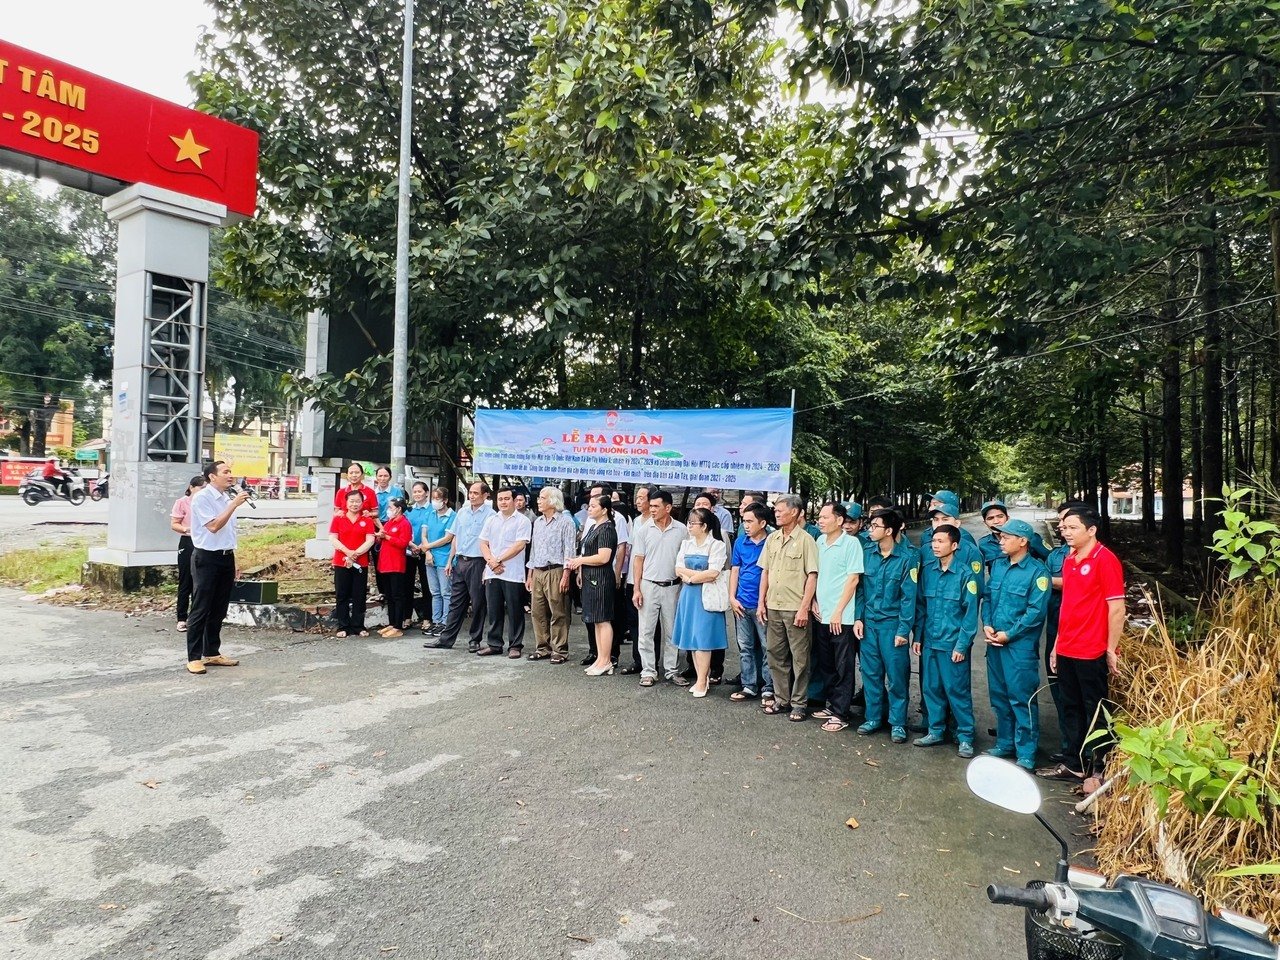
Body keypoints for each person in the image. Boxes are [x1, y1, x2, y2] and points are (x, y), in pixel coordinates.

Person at [1039, 507, 1124, 782]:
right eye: (1064, 528)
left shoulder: (1105, 560)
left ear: (1091, 530)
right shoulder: (1069, 560)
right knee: (1070, 707)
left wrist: (1111, 649)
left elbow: (1117, 609)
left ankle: (1100, 768)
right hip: (1067, 647)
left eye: (1072, 527)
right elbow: (1067, 605)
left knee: (1096, 710)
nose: (1066, 532)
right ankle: (1073, 764)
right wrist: (1057, 645)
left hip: (1091, 650)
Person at [983, 518, 1051, 770]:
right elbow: (988, 598)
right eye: (1000, 537)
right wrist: (987, 624)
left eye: (1006, 537)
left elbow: (1035, 613)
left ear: (1022, 541)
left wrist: (1009, 634)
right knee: (999, 696)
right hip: (995, 642)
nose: (1000, 541)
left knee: (1021, 698)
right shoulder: (999, 566)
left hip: (1019, 647)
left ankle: (1026, 751)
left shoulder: (1037, 572)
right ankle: (1005, 742)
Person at [913, 524, 980, 756]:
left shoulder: (965, 575)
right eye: (934, 541)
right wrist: (918, 636)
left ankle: (965, 736)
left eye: (941, 541)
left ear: (954, 545)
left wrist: (962, 645)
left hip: (952, 644)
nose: (935, 545)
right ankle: (935, 730)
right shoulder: (928, 571)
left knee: (957, 691)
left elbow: (970, 615)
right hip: (931, 641)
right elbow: (921, 606)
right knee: (931, 688)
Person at [854, 508, 917, 742]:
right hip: (869, 624)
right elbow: (860, 589)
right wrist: (859, 618)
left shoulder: (907, 558)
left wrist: (903, 630)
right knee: (870, 674)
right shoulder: (867, 553)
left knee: (897, 676)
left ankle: (898, 722)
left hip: (892, 626)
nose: (870, 530)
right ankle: (873, 718)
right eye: (870, 526)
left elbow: (909, 598)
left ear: (889, 531)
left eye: (875, 526)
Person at [184, 460, 253, 674]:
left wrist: (234, 561)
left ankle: (212, 652)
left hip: (225, 557)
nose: (230, 475)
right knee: (201, 607)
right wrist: (233, 505)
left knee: (219, 608)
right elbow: (213, 526)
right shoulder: (202, 498)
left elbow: (227, 534)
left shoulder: (225, 497)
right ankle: (194, 657)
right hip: (206, 558)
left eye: (231, 471)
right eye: (225, 472)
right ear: (212, 476)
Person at [757, 493, 819, 721]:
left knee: (800, 658)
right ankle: (781, 700)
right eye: (775, 510)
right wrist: (761, 602)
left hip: (795, 608)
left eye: (780, 510)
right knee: (775, 654)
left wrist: (804, 608)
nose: (776, 514)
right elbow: (765, 572)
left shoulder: (806, 540)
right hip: (773, 605)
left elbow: (812, 575)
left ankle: (799, 704)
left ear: (794, 512)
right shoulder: (772, 539)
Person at [811, 502, 865, 732]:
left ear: (839, 520)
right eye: (820, 517)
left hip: (842, 617)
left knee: (843, 666)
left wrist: (838, 611)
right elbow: (815, 575)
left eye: (825, 517)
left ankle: (841, 713)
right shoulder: (820, 542)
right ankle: (832, 705)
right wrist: (813, 600)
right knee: (827, 664)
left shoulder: (851, 544)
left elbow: (853, 579)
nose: (820, 521)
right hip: (821, 614)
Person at [426, 481, 495, 650]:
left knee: (478, 603)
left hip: (478, 562)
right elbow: (455, 537)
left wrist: (488, 565)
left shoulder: (491, 515)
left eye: (476, 493)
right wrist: (450, 560)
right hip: (460, 561)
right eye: (470, 493)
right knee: (455, 602)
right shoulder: (462, 512)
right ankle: (446, 639)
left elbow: (492, 542)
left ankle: (475, 639)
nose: (472, 496)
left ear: (485, 495)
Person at [1043, 499, 1087, 759]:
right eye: (1061, 523)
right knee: (1058, 688)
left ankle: (1087, 753)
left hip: (1084, 635)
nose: (1063, 528)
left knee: (1083, 695)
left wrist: (1049, 580)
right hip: (1056, 627)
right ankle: (1068, 746)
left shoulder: (1098, 558)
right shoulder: (1056, 556)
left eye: (1069, 523)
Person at [631, 489, 688, 687]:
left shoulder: (682, 530)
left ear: (668, 507)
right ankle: (648, 671)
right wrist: (636, 588)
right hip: (648, 585)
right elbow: (638, 560)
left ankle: (672, 670)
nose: (652, 510)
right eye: (651, 506)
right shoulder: (644, 530)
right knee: (646, 631)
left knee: (672, 631)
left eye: (656, 506)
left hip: (673, 586)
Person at [672, 507, 730, 697]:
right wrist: (696, 576)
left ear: (704, 526)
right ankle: (700, 678)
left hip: (706, 596)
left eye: (692, 523)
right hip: (689, 595)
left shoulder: (716, 545)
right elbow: (678, 568)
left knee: (703, 639)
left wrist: (690, 578)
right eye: (688, 523)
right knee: (692, 639)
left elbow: (714, 573)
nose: (689, 526)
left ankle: (702, 681)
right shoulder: (686, 544)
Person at [478, 487, 533, 658]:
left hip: (513, 573)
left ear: (514, 501)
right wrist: (491, 562)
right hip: (492, 572)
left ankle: (515, 645)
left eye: (506, 499)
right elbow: (483, 543)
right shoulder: (491, 520)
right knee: (494, 610)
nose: (503, 502)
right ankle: (494, 644)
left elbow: (519, 545)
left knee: (515, 611)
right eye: (500, 499)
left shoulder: (523, 521)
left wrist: (498, 560)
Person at [568, 494, 619, 676]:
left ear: (604, 510)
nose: (589, 509)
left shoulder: (607, 529)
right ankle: (600, 658)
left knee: (603, 620)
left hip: (601, 578)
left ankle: (606, 660)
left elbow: (603, 557)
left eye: (593, 506)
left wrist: (580, 560)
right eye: (589, 506)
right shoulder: (593, 526)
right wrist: (579, 564)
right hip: (590, 577)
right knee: (596, 620)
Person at [729, 502, 774, 704]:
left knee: (766, 647)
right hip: (742, 602)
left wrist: (763, 602)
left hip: (763, 604)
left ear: (762, 523)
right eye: (744, 521)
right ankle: (749, 685)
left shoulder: (772, 542)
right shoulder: (740, 542)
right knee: (745, 647)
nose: (745, 525)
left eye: (750, 521)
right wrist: (732, 598)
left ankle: (769, 688)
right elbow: (735, 570)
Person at [525, 486, 576, 663]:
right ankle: (542, 647)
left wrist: (566, 575)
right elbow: (533, 551)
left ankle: (560, 650)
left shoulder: (565, 522)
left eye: (542, 497)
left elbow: (569, 551)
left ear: (553, 501)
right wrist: (530, 575)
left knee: (558, 612)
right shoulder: (538, 522)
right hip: (538, 570)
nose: (538, 501)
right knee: (537, 612)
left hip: (556, 570)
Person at [693, 492, 733, 684]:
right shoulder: (689, 533)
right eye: (698, 503)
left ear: (712, 509)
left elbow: (726, 565)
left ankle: (715, 669)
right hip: (693, 589)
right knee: (694, 629)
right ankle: (695, 669)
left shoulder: (721, 534)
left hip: (713, 587)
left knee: (712, 629)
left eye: (705, 504)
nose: (701, 506)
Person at [329, 489, 376, 638]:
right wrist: (347, 552)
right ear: (346, 502)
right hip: (341, 561)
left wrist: (355, 554)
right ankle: (343, 626)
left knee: (359, 594)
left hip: (360, 562)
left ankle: (358, 626)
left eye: (358, 501)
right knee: (342, 594)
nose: (354, 504)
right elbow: (333, 538)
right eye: (352, 501)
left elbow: (370, 540)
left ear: (362, 503)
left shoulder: (367, 520)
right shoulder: (338, 518)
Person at [170, 475, 207, 631]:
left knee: (202, 581)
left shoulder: (207, 503)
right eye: (201, 488)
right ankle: (181, 618)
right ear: (191, 487)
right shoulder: (182, 502)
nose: (203, 492)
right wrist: (186, 529)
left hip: (205, 542)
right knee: (186, 580)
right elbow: (174, 524)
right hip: (188, 541)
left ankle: (196, 617)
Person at [419, 487, 457, 636]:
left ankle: (445, 622)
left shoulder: (452, 516)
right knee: (434, 592)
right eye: (433, 498)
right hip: (430, 558)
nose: (435, 502)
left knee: (445, 592)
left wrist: (428, 547)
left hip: (444, 558)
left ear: (445, 500)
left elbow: (448, 538)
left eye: (437, 499)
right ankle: (436, 621)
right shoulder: (430, 514)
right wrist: (427, 552)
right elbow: (424, 535)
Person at [375, 497, 413, 637]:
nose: (388, 510)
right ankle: (391, 623)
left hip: (396, 564)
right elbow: (382, 539)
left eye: (391, 508)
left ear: (399, 509)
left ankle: (398, 625)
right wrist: (380, 536)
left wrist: (387, 537)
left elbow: (403, 543)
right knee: (389, 595)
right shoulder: (389, 522)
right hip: (385, 563)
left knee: (397, 595)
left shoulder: (404, 523)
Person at [404, 482, 434, 628]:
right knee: (407, 585)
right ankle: (406, 617)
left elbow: (432, 530)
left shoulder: (432, 509)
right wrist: (411, 544)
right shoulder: (409, 510)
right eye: (414, 491)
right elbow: (404, 529)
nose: (416, 494)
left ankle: (428, 617)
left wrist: (423, 546)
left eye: (419, 491)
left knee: (427, 585)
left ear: (426, 493)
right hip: (409, 550)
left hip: (426, 550)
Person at [977, 500, 1010, 569]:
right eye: (990, 518)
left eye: (1000, 516)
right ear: (985, 523)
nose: (996, 521)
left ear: (1007, 518)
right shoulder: (983, 544)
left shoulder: (1023, 539)